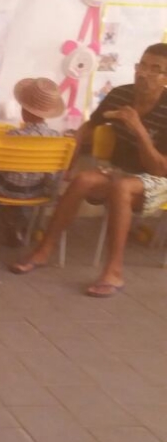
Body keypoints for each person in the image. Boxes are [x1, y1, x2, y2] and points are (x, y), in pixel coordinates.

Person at [10, 44, 167, 296]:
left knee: (122, 187)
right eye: (142, 65)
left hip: (158, 179)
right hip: (120, 171)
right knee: (83, 179)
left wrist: (138, 129)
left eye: (155, 69)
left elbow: (159, 168)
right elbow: (88, 126)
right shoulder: (120, 94)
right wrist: (70, 162)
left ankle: (114, 271)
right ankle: (43, 251)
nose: (144, 73)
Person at [0, 77, 66, 245]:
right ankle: (20, 220)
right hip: (38, 192)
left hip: (6, 190)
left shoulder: (12, 136)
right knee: (27, 181)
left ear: (24, 110)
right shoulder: (57, 138)